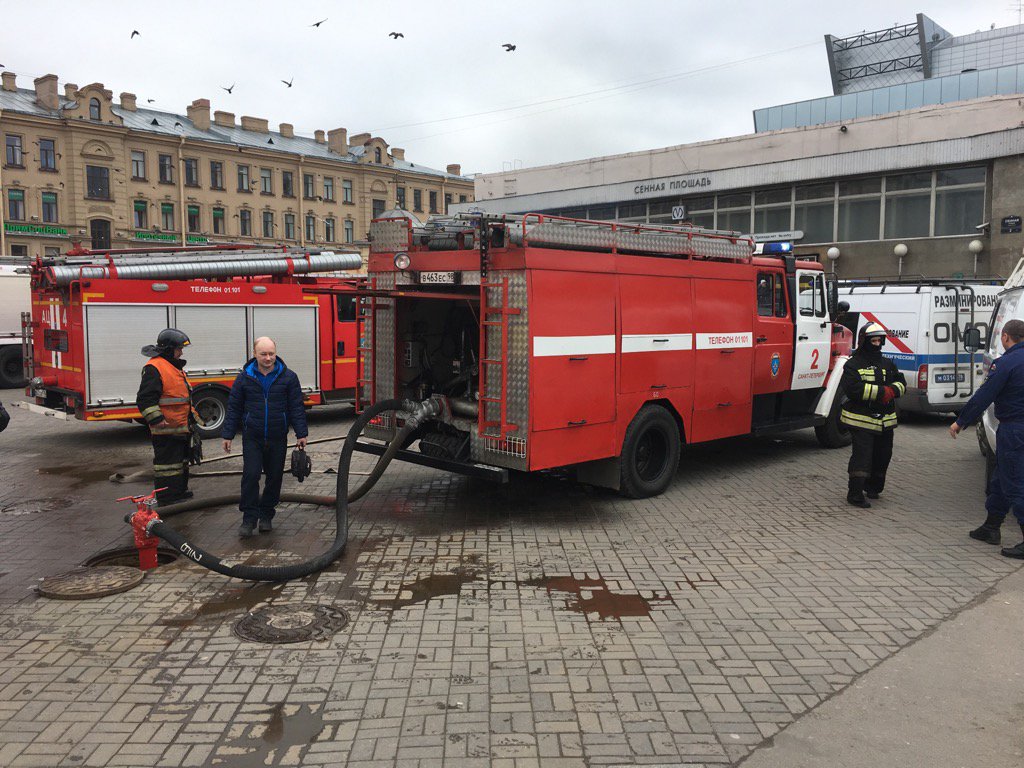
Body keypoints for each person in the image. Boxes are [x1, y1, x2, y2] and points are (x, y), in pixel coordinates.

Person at [950, 318, 1024, 559]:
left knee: (1014, 484)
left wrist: (961, 421)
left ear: (1005, 337)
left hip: (1014, 430)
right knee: (1002, 479)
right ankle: (991, 527)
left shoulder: (1007, 363)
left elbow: (985, 395)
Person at [221, 337, 308, 538]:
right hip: (253, 437)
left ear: (276, 353)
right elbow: (234, 408)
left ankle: (266, 515)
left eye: (271, 353)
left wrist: (301, 433)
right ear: (254, 354)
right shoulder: (244, 378)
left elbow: (296, 407)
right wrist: (227, 434)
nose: (268, 358)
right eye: (263, 354)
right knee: (251, 476)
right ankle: (249, 518)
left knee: (274, 477)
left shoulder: (288, 377)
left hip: (278, 437)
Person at [839, 322, 907, 507]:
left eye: (879, 340)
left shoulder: (887, 363)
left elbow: (901, 383)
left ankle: (874, 488)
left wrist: (892, 390)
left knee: (883, 455)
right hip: (861, 420)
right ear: (864, 341)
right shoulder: (853, 364)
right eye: (873, 340)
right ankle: (854, 494)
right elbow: (852, 388)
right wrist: (880, 393)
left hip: (886, 421)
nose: (877, 344)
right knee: (863, 457)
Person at [137, 328, 195, 506]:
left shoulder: (171, 366)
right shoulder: (155, 368)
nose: (181, 352)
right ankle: (166, 497)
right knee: (166, 467)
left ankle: (178, 492)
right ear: (170, 349)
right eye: (179, 348)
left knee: (180, 463)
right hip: (165, 429)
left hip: (179, 427)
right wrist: (157, 419)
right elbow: (145, 399)